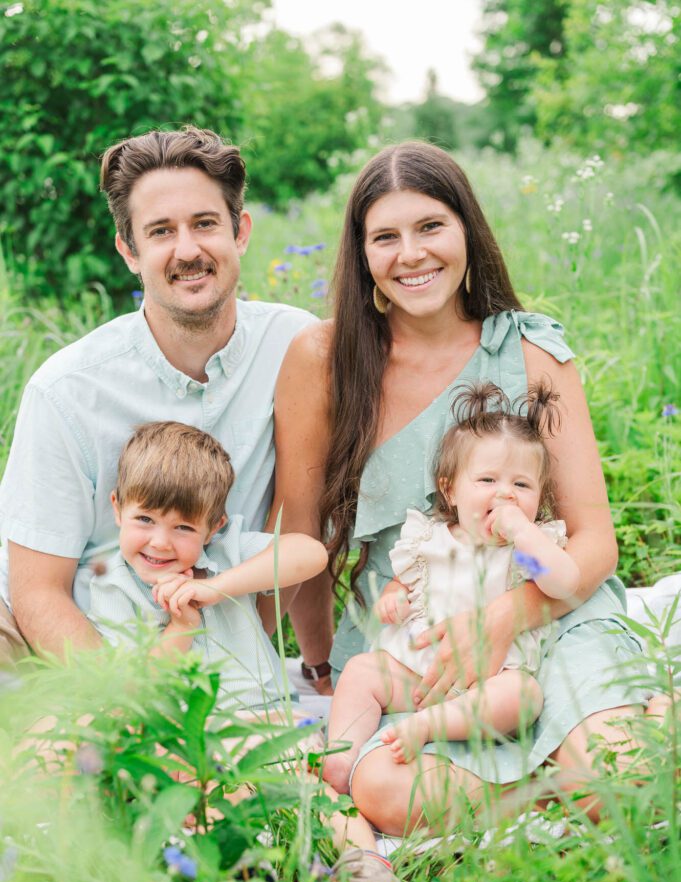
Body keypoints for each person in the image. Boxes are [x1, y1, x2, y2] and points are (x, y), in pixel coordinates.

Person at [272, 140, 650, 833]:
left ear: (466, 233)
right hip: (415, 641)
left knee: (619, 770)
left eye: (430, 227)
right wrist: (319, 664)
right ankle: (567, 782)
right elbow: (303, 537)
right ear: (362, 257)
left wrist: (502, 619)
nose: (410, 254)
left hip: (548, 618)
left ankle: (600, 761)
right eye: (384, 237)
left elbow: (595, 543)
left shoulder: (530, 351)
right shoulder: (323, 360)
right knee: (387, 791)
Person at [0, 125, 322, 665]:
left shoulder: (296, 346)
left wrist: (250, 657)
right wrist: (134, 708)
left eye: (204, 224)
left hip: (199, 637)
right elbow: (38, 592)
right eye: (161, 231)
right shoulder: (68, 390)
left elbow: (305, 529)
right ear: (129, 250)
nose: (188, 250)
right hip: (60, 637)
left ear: (239, 231)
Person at [322, 381, 580, 793]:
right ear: (450, 489)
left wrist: (521, 530)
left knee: (525, 694)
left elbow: (566, 583)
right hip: (420, 678)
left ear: (539, 496)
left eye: (522, 485)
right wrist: (392, 600)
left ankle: (427, 728)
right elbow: (405, 583)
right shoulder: (428, 539)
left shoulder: (530, 549)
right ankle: (338, 761)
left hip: (488, 689)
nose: (505, 495)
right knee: (361, 671)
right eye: (487, 480)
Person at [89, 420, 328, 711]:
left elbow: (311, 553)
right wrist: (183, 626)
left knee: (307, 751)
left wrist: (216, 588)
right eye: (145, 520)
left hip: (269, 712)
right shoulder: (114, 587)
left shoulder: (227, 551)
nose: (161, 542)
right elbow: (141, 688)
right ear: (117, 508)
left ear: (214, 527)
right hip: (188, 727)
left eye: (184, 528)